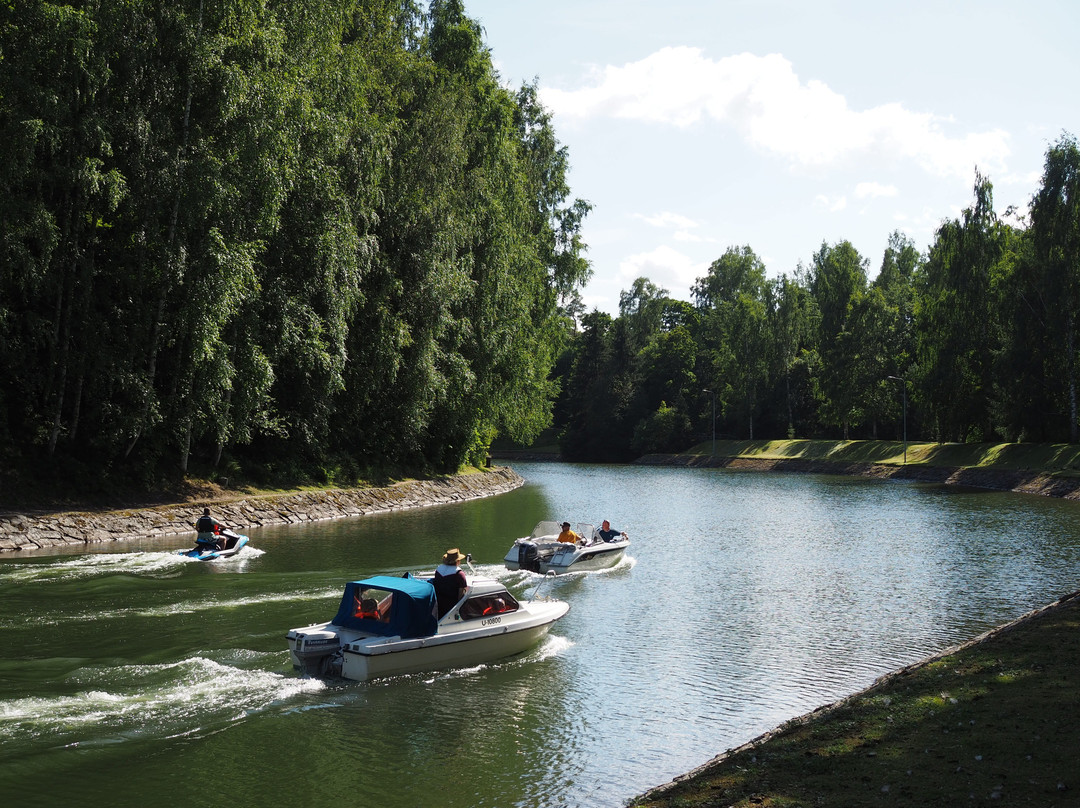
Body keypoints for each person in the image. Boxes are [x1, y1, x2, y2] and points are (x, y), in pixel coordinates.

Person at [433, 548, 468, 618]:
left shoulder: (438, 570)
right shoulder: (459, 574)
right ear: (458, 561)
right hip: (451, 607)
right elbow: (461, 595)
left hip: (438, 605)